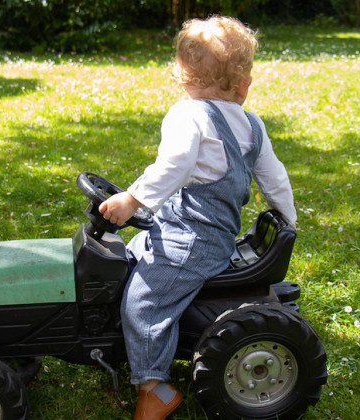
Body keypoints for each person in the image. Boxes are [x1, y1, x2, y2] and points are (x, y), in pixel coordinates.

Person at [99, 15, 297, 420]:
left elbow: (172, 167)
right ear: (244, 85)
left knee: (144, 302)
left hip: (191, 242)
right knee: (131, 256)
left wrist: (132, 200)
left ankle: (153, 386)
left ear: (182, 78)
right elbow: (275, 178)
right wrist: (287, 218)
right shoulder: (252, 125)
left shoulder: (187, 116)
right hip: (190, 231)